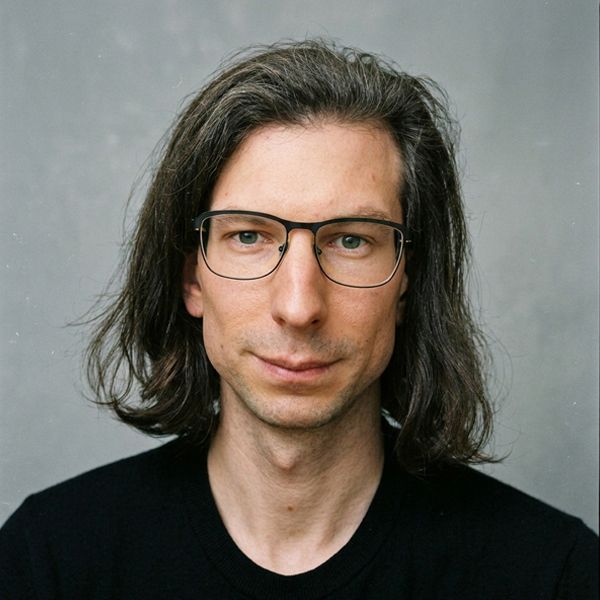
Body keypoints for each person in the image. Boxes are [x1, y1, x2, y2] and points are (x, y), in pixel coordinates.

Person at [0, 39, 597, 599]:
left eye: (352, 241)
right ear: (191, 278)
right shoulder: (47, 560)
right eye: (249, 236)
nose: (299, 306)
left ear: (408, 281)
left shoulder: (552, 575)